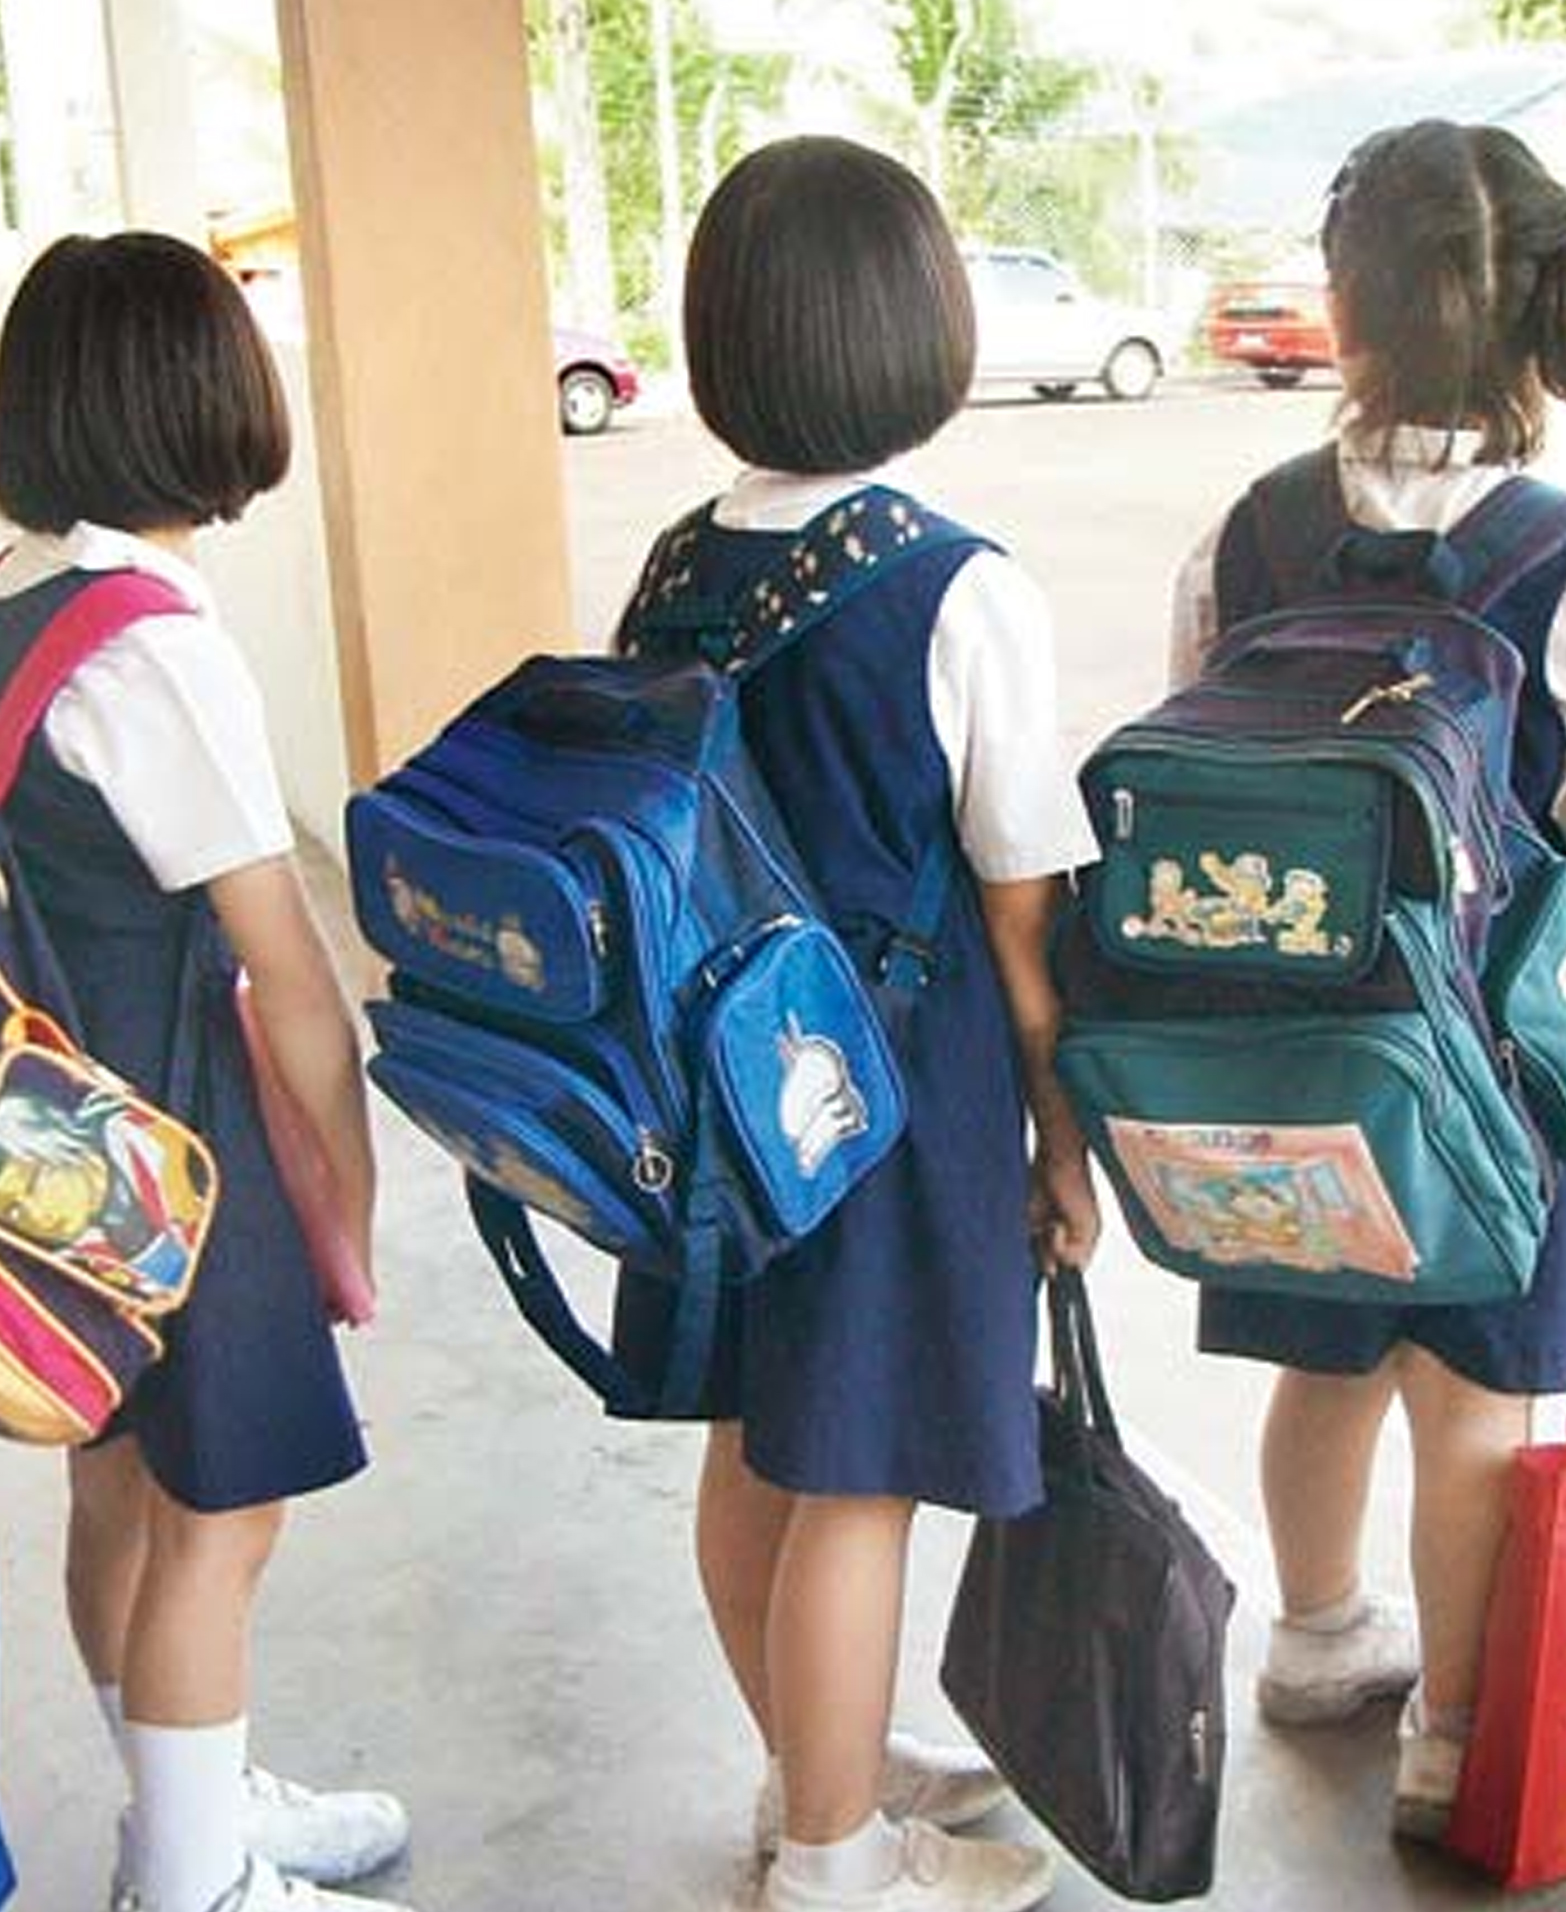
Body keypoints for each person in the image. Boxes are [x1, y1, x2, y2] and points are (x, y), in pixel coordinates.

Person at [1168, 120, 1566, 1838]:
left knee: (1324, 1367)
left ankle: (1317, 1634)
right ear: (1546, 311)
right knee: (1476, 1406)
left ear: (1343, 309)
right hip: (1501, 1078)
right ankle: (1452, 1734)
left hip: (1289, 1061)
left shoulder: (1250, 533)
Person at [614, 137, 1099, 1912]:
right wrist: (1062, 1132)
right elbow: (1022, 898)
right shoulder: (958, 587)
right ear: (918, 327)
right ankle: (835, 1857)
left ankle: (809, 1772)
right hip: (887, 1102)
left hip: (709, 1093)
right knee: (863, 1470)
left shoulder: (676, 564)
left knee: (756, 1434)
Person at [0, 231, 401, 1912]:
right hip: (171, 1149)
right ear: (198, 395)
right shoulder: (150, 645)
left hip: (41, 1141)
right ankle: (197, 1879)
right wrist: (349, 1184)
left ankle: (183, 1816)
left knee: (121, 1485)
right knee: (226, 1515)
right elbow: (284, 964)